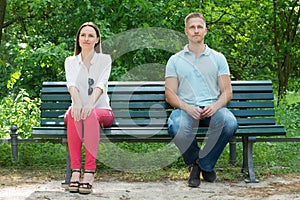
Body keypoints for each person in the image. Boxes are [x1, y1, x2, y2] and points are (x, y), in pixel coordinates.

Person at [165, 12, 238, 188]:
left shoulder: (218, 58)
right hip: (186, 110)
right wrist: (188, 108)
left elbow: (227, 92)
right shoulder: (175, 60)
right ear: (186, 31)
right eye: (192, 27)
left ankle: (201, 165)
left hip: (214, 109)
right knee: (176, 125)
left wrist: (215, 106)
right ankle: (199, 164)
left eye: (199, 27)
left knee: (229, 122)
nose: (196, 30)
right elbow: (170, 94)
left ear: (205, 30)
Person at [64, 22, 114, 194]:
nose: (86, 39)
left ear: (97, 39)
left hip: (101, 111)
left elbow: (101, 84)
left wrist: (89, 104)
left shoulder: (104, 60)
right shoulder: (70, 61)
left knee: (89, 114)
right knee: (73, 113)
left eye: (90, 35)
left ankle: (90, 172)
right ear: (78, 39)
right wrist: (77, 103)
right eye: (83, 35)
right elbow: (71, 84)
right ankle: (76, 171)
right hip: (78, 112)